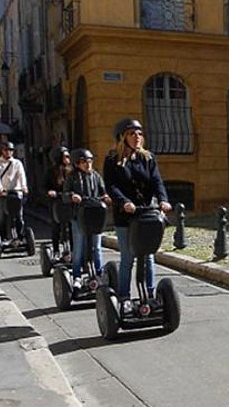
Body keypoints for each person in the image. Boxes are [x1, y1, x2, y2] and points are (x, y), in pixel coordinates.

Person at [104, 118, 171, 308]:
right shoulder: (112, 160)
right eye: (132, 134)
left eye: (140, 133)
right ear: (122, 137)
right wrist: (124, 202)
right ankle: (124, 298)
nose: (137, 137)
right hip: (125, 217)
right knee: (128, 257)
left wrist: (163, 200)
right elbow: (112, 186)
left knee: (149, 257)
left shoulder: (148, 158)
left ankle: (150, 295)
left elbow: (157, 181)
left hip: (146, 215)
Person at [63, 148, 111, 293]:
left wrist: (107, 197)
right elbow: (65, 195)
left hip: (95, 215)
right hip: (79, 216)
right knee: (78, 248)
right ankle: (77, 276)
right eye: (84, 162)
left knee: (96, 247)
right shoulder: (72, 177)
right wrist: (72, 196)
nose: (88, 164)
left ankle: (99, 273)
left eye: (90, 161)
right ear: (77, 163)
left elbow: (103, 192)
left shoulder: (96, 176)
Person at [0, 142, 28, 239]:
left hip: (16, 193)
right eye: (6, 150)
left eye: (10, 150)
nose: (8, 152)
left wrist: (24, 187)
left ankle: (21, 237)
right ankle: (2, 238)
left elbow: (21, 175)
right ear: (2, 151)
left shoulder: (17, 163)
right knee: (2, 218)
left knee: (19, 217)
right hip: (4, 194)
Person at [45, 146, 72, 257]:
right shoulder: (51, 172)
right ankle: (56, 250)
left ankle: (73, 251)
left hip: (70, 202)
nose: (68, 158)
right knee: (56, 226)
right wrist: (50, 192)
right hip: (56, 203)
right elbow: (44, 187)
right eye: (65, 156)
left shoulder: (72, 171)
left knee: (71, 227)